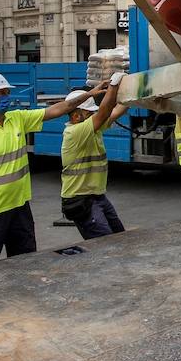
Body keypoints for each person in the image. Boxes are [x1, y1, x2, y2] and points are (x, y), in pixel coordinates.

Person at [0, 72, 107, 265]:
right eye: (3, 93)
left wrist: (90, 94)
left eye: (7, 92)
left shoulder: (17, 119)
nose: (7, 97)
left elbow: (59, 109)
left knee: (26, 262)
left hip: (19, 209)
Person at [60, 74, 130, 239]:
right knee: (104, 245)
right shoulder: (74, 132)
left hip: (97, 197)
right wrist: (113, 85)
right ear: (76, 116)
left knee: (120, 238)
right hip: (80, 200)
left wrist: (130, 92)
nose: (93, 115)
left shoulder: (92, 128)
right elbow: (104, 112)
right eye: (89, 113)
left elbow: (115, 111)